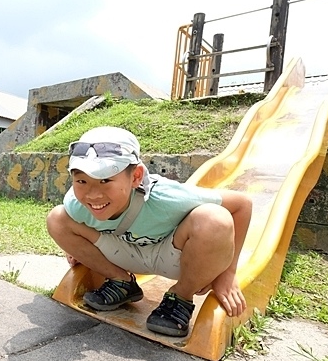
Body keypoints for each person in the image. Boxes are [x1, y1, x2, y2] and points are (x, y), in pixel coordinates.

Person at [46, 126, 252, 337]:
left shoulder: (167, 197)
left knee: (214, 219)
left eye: (106, 180)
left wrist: (228, 273)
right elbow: (71, 226)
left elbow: (242, 205)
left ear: (136, 176)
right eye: (82, 181)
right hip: (124, 254)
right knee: (57, 218)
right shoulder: (76, 203)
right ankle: (121, 283)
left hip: (177, 258)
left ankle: (180, 297)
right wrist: (75, 249)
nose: (93, 194)